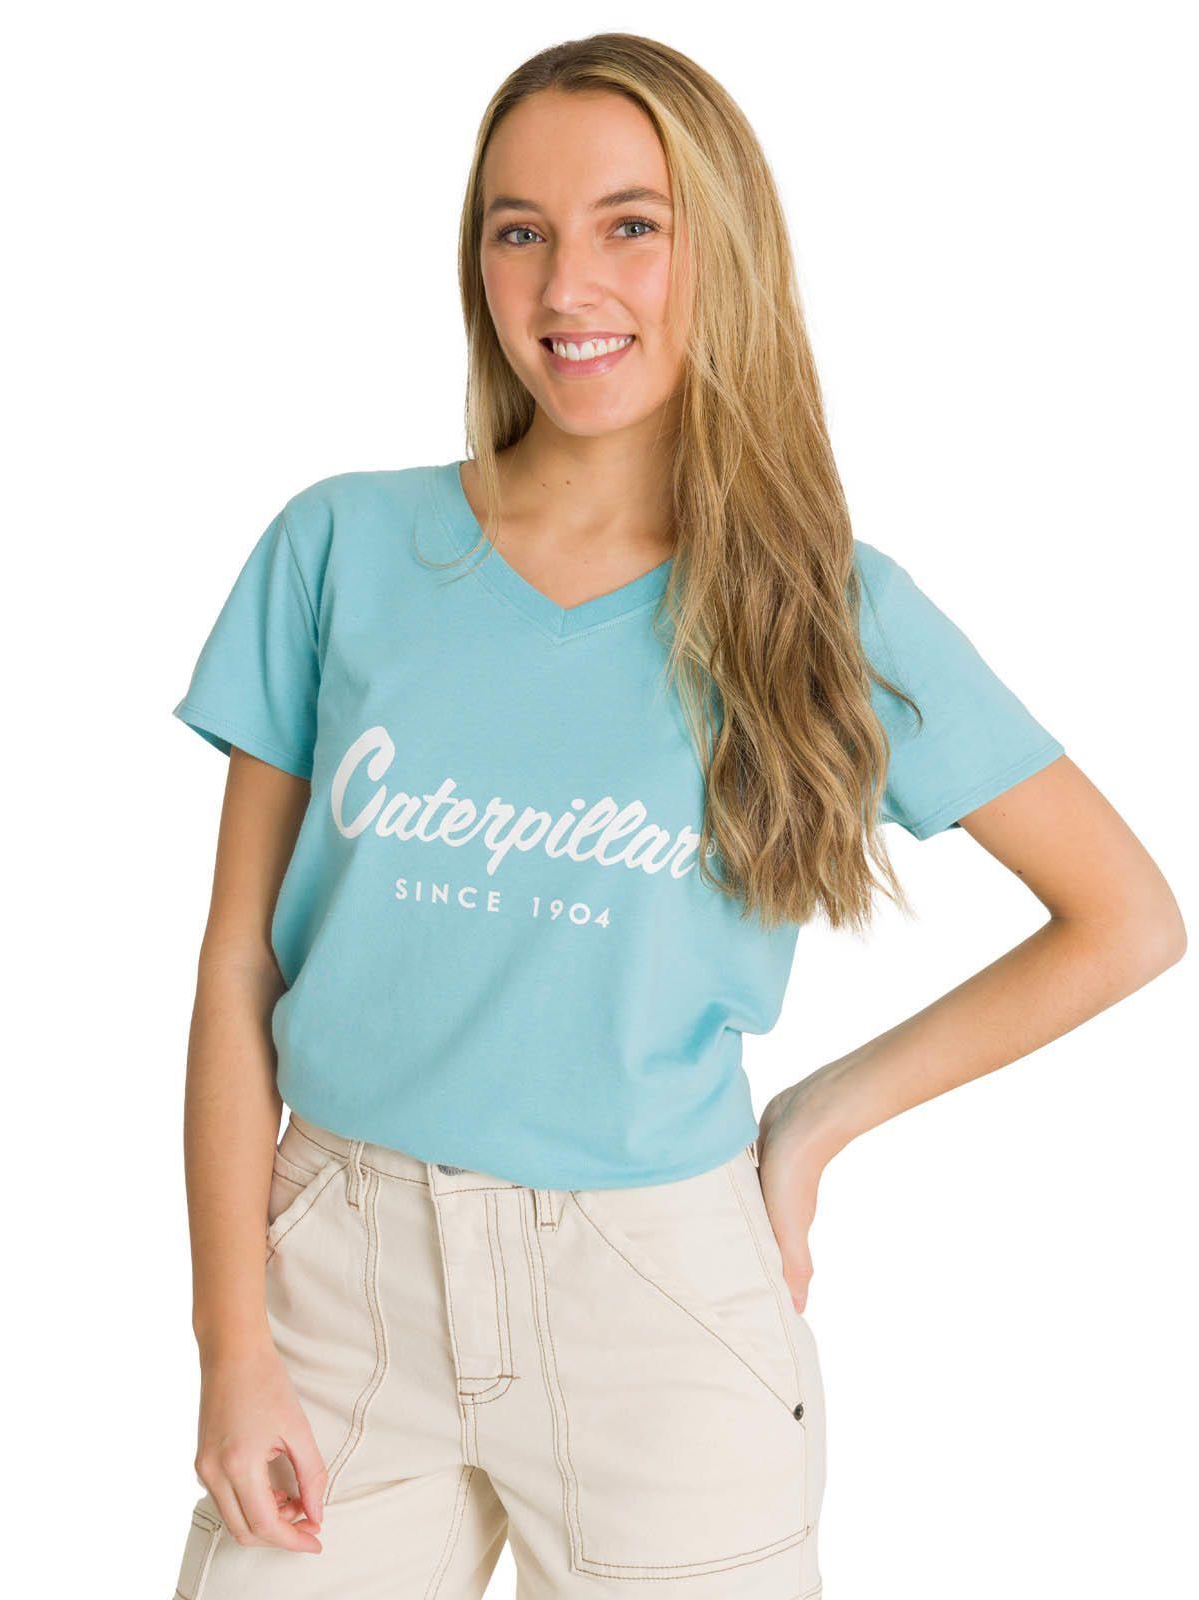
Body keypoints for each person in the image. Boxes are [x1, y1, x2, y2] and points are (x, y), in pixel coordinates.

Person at [167, 32, 1185, 1600]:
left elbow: (1125, 920)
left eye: (630, 225)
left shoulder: (828, 609)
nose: (568, 285)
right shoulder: (339, 550)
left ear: (723, 250)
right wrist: (231, 1343)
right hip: (337, 1287)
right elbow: (241, 965)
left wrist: (817, 1122)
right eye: (520, 230)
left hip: (660, 1300)